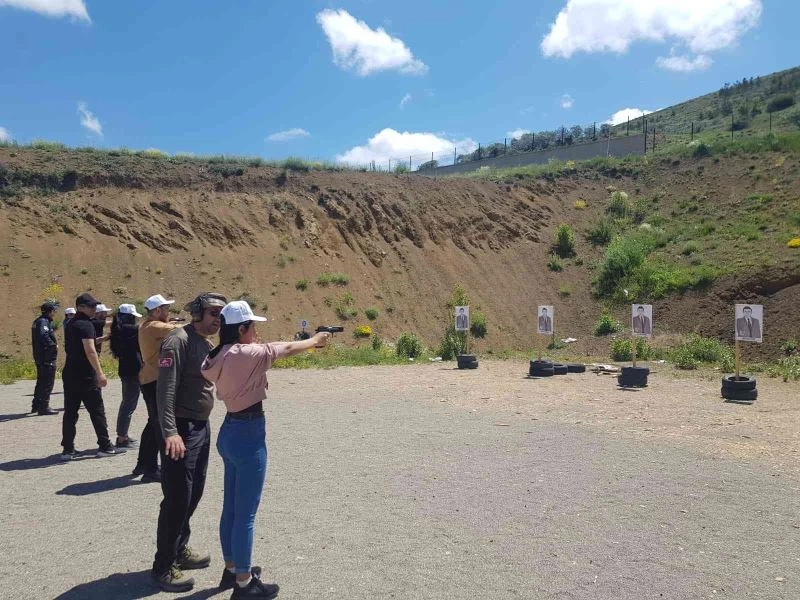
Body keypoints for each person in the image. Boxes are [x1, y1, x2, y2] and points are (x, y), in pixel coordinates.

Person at [201, 301, 330, 598]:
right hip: (247, 433)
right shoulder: (246, 354)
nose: (257, 332)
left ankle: (232, 569)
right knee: (245, 515)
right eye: (253, 327)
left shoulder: (218, 354)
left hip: (230, 429)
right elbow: (282, 349)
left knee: (231, 508)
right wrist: (314, 341)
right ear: (242, 329)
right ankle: (244, 584)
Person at [151, 292, 228, 593]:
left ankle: (179, 549)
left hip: (199, 426)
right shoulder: (177, 341)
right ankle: (163, 566)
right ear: (197, 313)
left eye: (220, 315)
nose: (216, 320)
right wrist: (170, 432)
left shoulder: (204, 342)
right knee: (177, 498)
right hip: (180, 429)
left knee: (194, 492)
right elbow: (165, 390)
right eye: (212, 313)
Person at [60, 293, 118, 460]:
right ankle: (105, 446)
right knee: (97, 411)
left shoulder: (71, 323)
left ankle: (68, 449)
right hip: (85, 374)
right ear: (81, 307)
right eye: (91, 306)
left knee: (70, 412)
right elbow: (90, 350)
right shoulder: (86, 324)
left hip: (70, 372)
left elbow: (86, 344)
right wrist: (100, 373)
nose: (94, 309)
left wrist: (104, 338)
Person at [135, 294, 181, 482]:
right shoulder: (154, 326)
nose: (168, 312)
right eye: (166, 309)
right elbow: (177, 330)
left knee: (153, 423)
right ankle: (153, 469)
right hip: (155, 379)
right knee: (162, 425)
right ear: (157, 311)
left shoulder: (147, 326)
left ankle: (144, 463)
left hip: (150, 378)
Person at [110, 303, 143, 449]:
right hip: (134, 371)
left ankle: (122, 435)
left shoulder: (118, 329)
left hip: (126, 370)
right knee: (129, 404)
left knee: (127, 403)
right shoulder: (131, 330)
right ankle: (122, 438)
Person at [31, 301, 59, 415]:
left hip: (41, 356)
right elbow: (43, 335)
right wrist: (52, 346)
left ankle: (36, 405)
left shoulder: (39, 321)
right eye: (53, 311)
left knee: (41, 381)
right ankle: (44, 406)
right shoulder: (43, 321)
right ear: (50, 311)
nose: (54, 313)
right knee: (47, 381)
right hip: (46, 357)